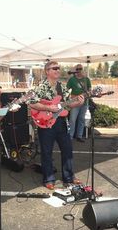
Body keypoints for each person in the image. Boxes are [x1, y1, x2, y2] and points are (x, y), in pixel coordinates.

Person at [29, 61, 84, 190]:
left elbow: (67, 104)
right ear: (47, 71)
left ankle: (69, 177)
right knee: (46, 152)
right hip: (46, 123)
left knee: (67, 150)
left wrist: (77, 103)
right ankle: (48, 179)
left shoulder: (62, 87)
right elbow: (32, 103)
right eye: (55, 68)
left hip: (61, 122)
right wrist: (49, 107)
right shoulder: (41, 87)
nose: (58, 70)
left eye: (58, 68)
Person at [66, 64, 92, 142]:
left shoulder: (86, 79)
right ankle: (70, 136)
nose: (79, 70)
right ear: (75, 70)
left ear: (82, 69)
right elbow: (66, 90)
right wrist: (70, 98)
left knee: (81, 119)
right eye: (77, 69)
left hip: (84, 102)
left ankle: (79, 136)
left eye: (80, 69)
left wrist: (88, 94)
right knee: (72, 120)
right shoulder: (72, 79)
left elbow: (90, 90)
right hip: (74, 102)